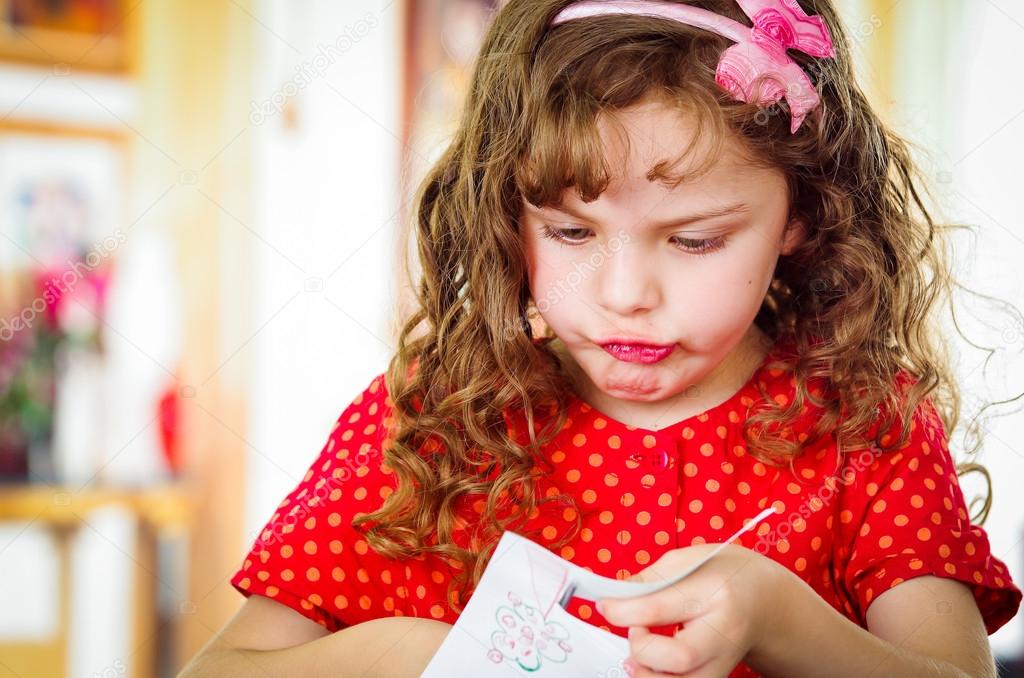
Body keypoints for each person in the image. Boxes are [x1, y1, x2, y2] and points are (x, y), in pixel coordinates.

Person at [178, 1, 1023, 676]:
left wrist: (779, 619)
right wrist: (396, 654)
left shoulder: (866, 430)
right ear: (508, 217)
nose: (626, 296)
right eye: (572, 235)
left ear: (801, 215)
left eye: (695, 241)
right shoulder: (426, 424)